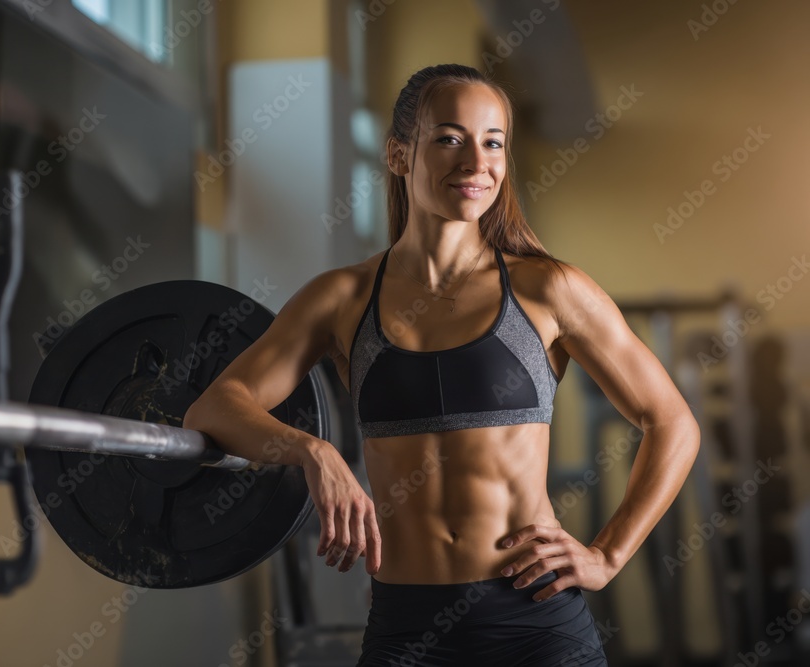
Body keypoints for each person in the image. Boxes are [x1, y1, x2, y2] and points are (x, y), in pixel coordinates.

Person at [182, 63, 700, 666]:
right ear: (399, 155)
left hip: (536, 624)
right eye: (451, 138)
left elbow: (672, 422)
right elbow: (215, 408)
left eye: (493, 143)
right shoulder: (342, 298)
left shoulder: (549, 289)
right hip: (406, 630)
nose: (476, 162)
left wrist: (607, 555)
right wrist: (312, 451)